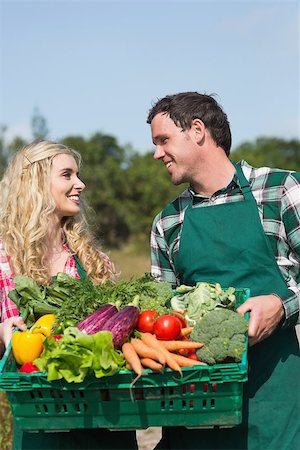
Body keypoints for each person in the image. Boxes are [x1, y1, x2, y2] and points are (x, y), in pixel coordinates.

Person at [147, 92, 300, 450]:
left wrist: (283, 306)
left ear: (197, 130)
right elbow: (160, 320)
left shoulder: (280, 191)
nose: (156, 153)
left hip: (274, 398)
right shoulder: (168, 222)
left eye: (163, 140)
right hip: (197, 407)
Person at [0, 139, 138, 450]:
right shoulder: (4, 259)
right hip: (42, 427)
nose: (80, 184)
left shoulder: (93, 260)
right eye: (67, 175)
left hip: (106, 425)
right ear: (35, 183)